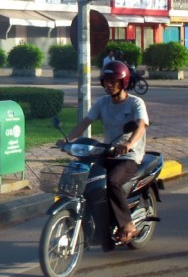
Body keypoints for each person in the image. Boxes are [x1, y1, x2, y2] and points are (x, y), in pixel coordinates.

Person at [58, 60, 149, 246]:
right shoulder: (103, 102)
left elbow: (141, 125)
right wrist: (68, 140)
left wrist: (130, 143)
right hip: (108, 153)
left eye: (113, 81)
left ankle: (128, 225)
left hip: (129, 157)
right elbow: (85, 122)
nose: (108, 84)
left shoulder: (135, 103)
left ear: (123, 83)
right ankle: (98, 225)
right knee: (88, 181)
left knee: (112, 181)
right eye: (106, 80)